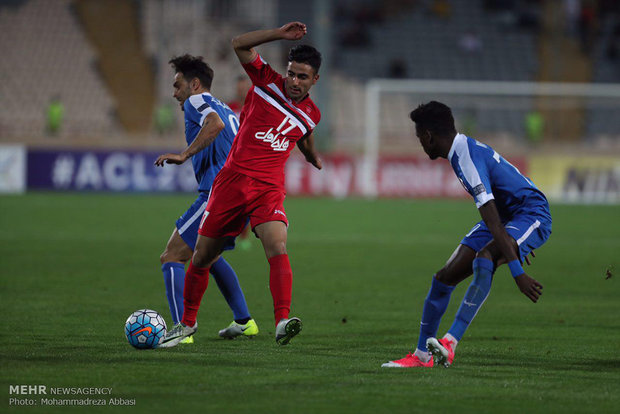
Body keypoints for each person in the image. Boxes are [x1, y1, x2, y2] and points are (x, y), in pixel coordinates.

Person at [160, 21, 323, 348]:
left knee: (277, 245)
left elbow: (304, 134)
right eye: (291, 73)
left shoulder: (312, 114)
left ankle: (281, 320)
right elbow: (239, 44)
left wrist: (311, 157)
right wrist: (279, 34)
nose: (293, 81)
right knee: (203, 257)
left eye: (301, 77)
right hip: (231, 184)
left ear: (314, 80)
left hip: (268, 188)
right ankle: (187, 324)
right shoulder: (267, 82)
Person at [383, 101, 552, 368]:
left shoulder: (466, 157)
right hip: (506, 215)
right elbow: (496, 220)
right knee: (443, 278)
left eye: (420, 138)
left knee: (485, 257)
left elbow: (493, 222)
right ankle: (421, 355)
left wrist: (517, 269)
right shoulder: (460, 150)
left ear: (428, 136)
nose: (421, 145)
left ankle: (450, 343)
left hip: (530, 215)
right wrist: (511, 242)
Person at [154, 54, 258, 343]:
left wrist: (183, 154)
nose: (175, 94)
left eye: (178, 86)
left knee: (172, 256)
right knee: (207, 257)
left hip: (219, 194)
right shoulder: (226, 108)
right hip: (242, 194)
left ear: (195, 84)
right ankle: (244, 320)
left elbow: (214, 126)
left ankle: (181, 329)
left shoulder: (196, 102)